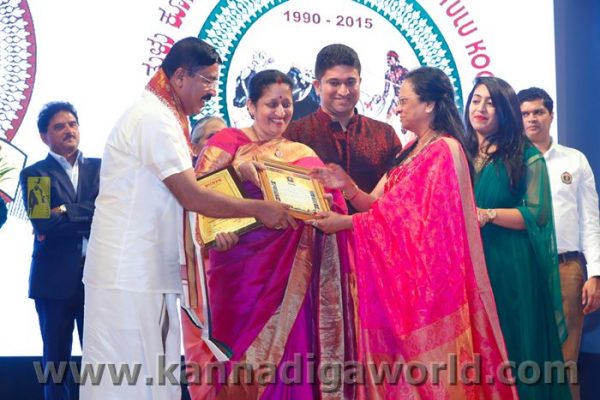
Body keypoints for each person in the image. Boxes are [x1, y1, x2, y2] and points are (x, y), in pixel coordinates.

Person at [80, 38, 295, 400]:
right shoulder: (153, 118)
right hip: (128, 273)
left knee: (153, 381)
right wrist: (259, 209)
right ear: (180, 76)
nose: (212, 91)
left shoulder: (165, 114)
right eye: (207, 81)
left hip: (149, 270)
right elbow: (191, 196)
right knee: (125, 382)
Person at [307, 67, 517, 399]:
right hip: (400, 281)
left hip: (429, 289)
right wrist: (346, 186)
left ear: (429, 104)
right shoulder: (409, 150)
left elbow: (412, 219)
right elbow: (377, 205)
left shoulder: (444, 150)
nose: (398, 107)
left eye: (404, 101)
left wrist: (344, 224)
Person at [182, 69, 354, 399]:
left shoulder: (301, 152)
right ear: (250, 106)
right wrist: (216, 234)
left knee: (292, 359)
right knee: (236, 362)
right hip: (236, 278)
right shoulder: (225, 145)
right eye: (271, 104)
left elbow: (330, 206)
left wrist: (329, 204)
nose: (280, 112)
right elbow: (198, 204)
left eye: (286, 104)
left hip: (292, 277)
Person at [465, 77, 571, 399]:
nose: (481, 108)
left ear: (506, 111)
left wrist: (488, 214)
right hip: (467, 265)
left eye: (491, 103)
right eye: (476, 100)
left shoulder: (523, 155)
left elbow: (538, 214)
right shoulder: (459, 151)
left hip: (510, 265)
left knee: (514, 346)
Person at [518, 87, 600, 400]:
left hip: (567, 268)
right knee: (526, 356)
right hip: (523, 266)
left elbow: (590, 220)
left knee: (566, 363)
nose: (532, 119)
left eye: (538, 112)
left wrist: (595, 273)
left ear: (551, 115)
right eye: (525, 114)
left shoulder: (574, 160)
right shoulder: (509, 163)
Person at [19, 101, 101, 400]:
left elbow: (110, 212)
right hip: (53, 283)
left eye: (72, 124)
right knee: (56, 366)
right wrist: (89, 212)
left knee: (101, 362)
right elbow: (45, 223)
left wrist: (65, 210)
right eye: (59, 126)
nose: (69, 130)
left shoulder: (101, 168)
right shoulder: (35, 174)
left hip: (97, 280)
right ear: (44, 136)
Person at [284, 43, 401, 213]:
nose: (344, 91)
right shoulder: (294, 135)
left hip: (374, 229)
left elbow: (399, 199)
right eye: (334, 83)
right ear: (317, 86)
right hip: (313, 229)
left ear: (360, 82)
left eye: (351, 82)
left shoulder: (385, 135)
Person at [368, 50, 409, 122]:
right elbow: (386, 91)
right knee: (389, 114)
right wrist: (381, 98)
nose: (388, 61)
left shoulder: (404, 71)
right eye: (387, 59)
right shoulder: (388, 74)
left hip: (409, 98)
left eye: (390, 58)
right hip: (397, 98)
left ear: (395, 59)